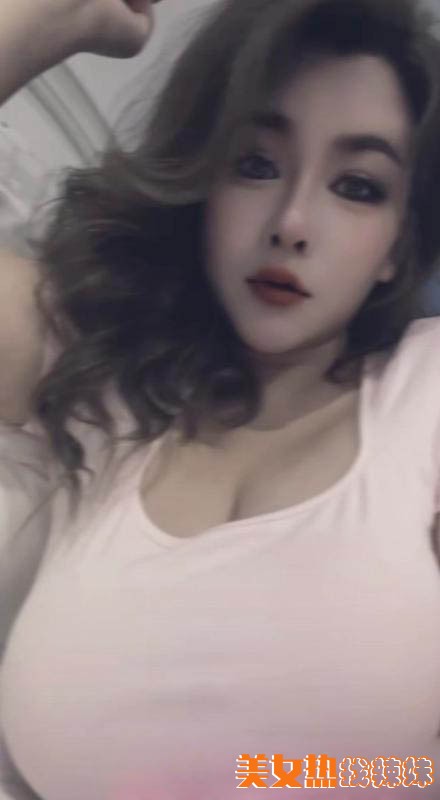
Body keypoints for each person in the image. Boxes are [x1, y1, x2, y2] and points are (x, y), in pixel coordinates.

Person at [1, 0, 440, 797]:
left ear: (396, 248)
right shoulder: (104, 385)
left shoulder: (426, 388)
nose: (292, 222)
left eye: (357, 186)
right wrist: (40, 24)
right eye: (255, 165)